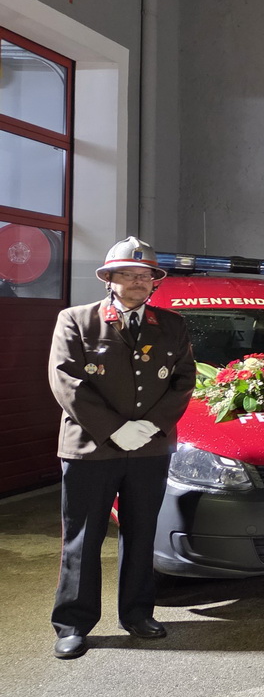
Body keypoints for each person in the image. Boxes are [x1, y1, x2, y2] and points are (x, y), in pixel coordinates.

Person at [48, 236, 196, 659]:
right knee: (83, 537)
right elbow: (66, 381)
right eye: (128, 274)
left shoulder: (172, 325)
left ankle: (137, 613)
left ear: (154, 282)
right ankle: (73, 623)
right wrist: (115, 430)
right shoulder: (76, 320)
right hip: (90, 448)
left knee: (141, 532)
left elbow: (183, 380)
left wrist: (149, 426)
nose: (137, 281)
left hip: (149, 449)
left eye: (144, 275)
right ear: (109, 279)